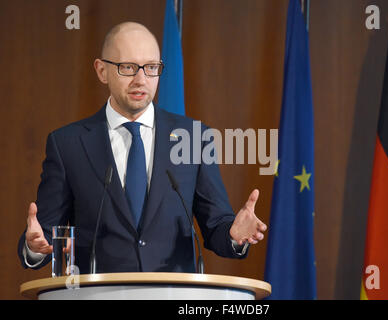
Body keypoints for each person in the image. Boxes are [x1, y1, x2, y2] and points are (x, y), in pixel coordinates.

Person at [17, 22, 267, 274]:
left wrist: (234, 234)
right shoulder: (67, 144)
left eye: (150, 67)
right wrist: (35, 247)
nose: (141, 79)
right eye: (127, 67)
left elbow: (216, 226)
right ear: (102, 70)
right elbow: (46, 232)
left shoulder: (193, 137)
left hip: (173, 294)